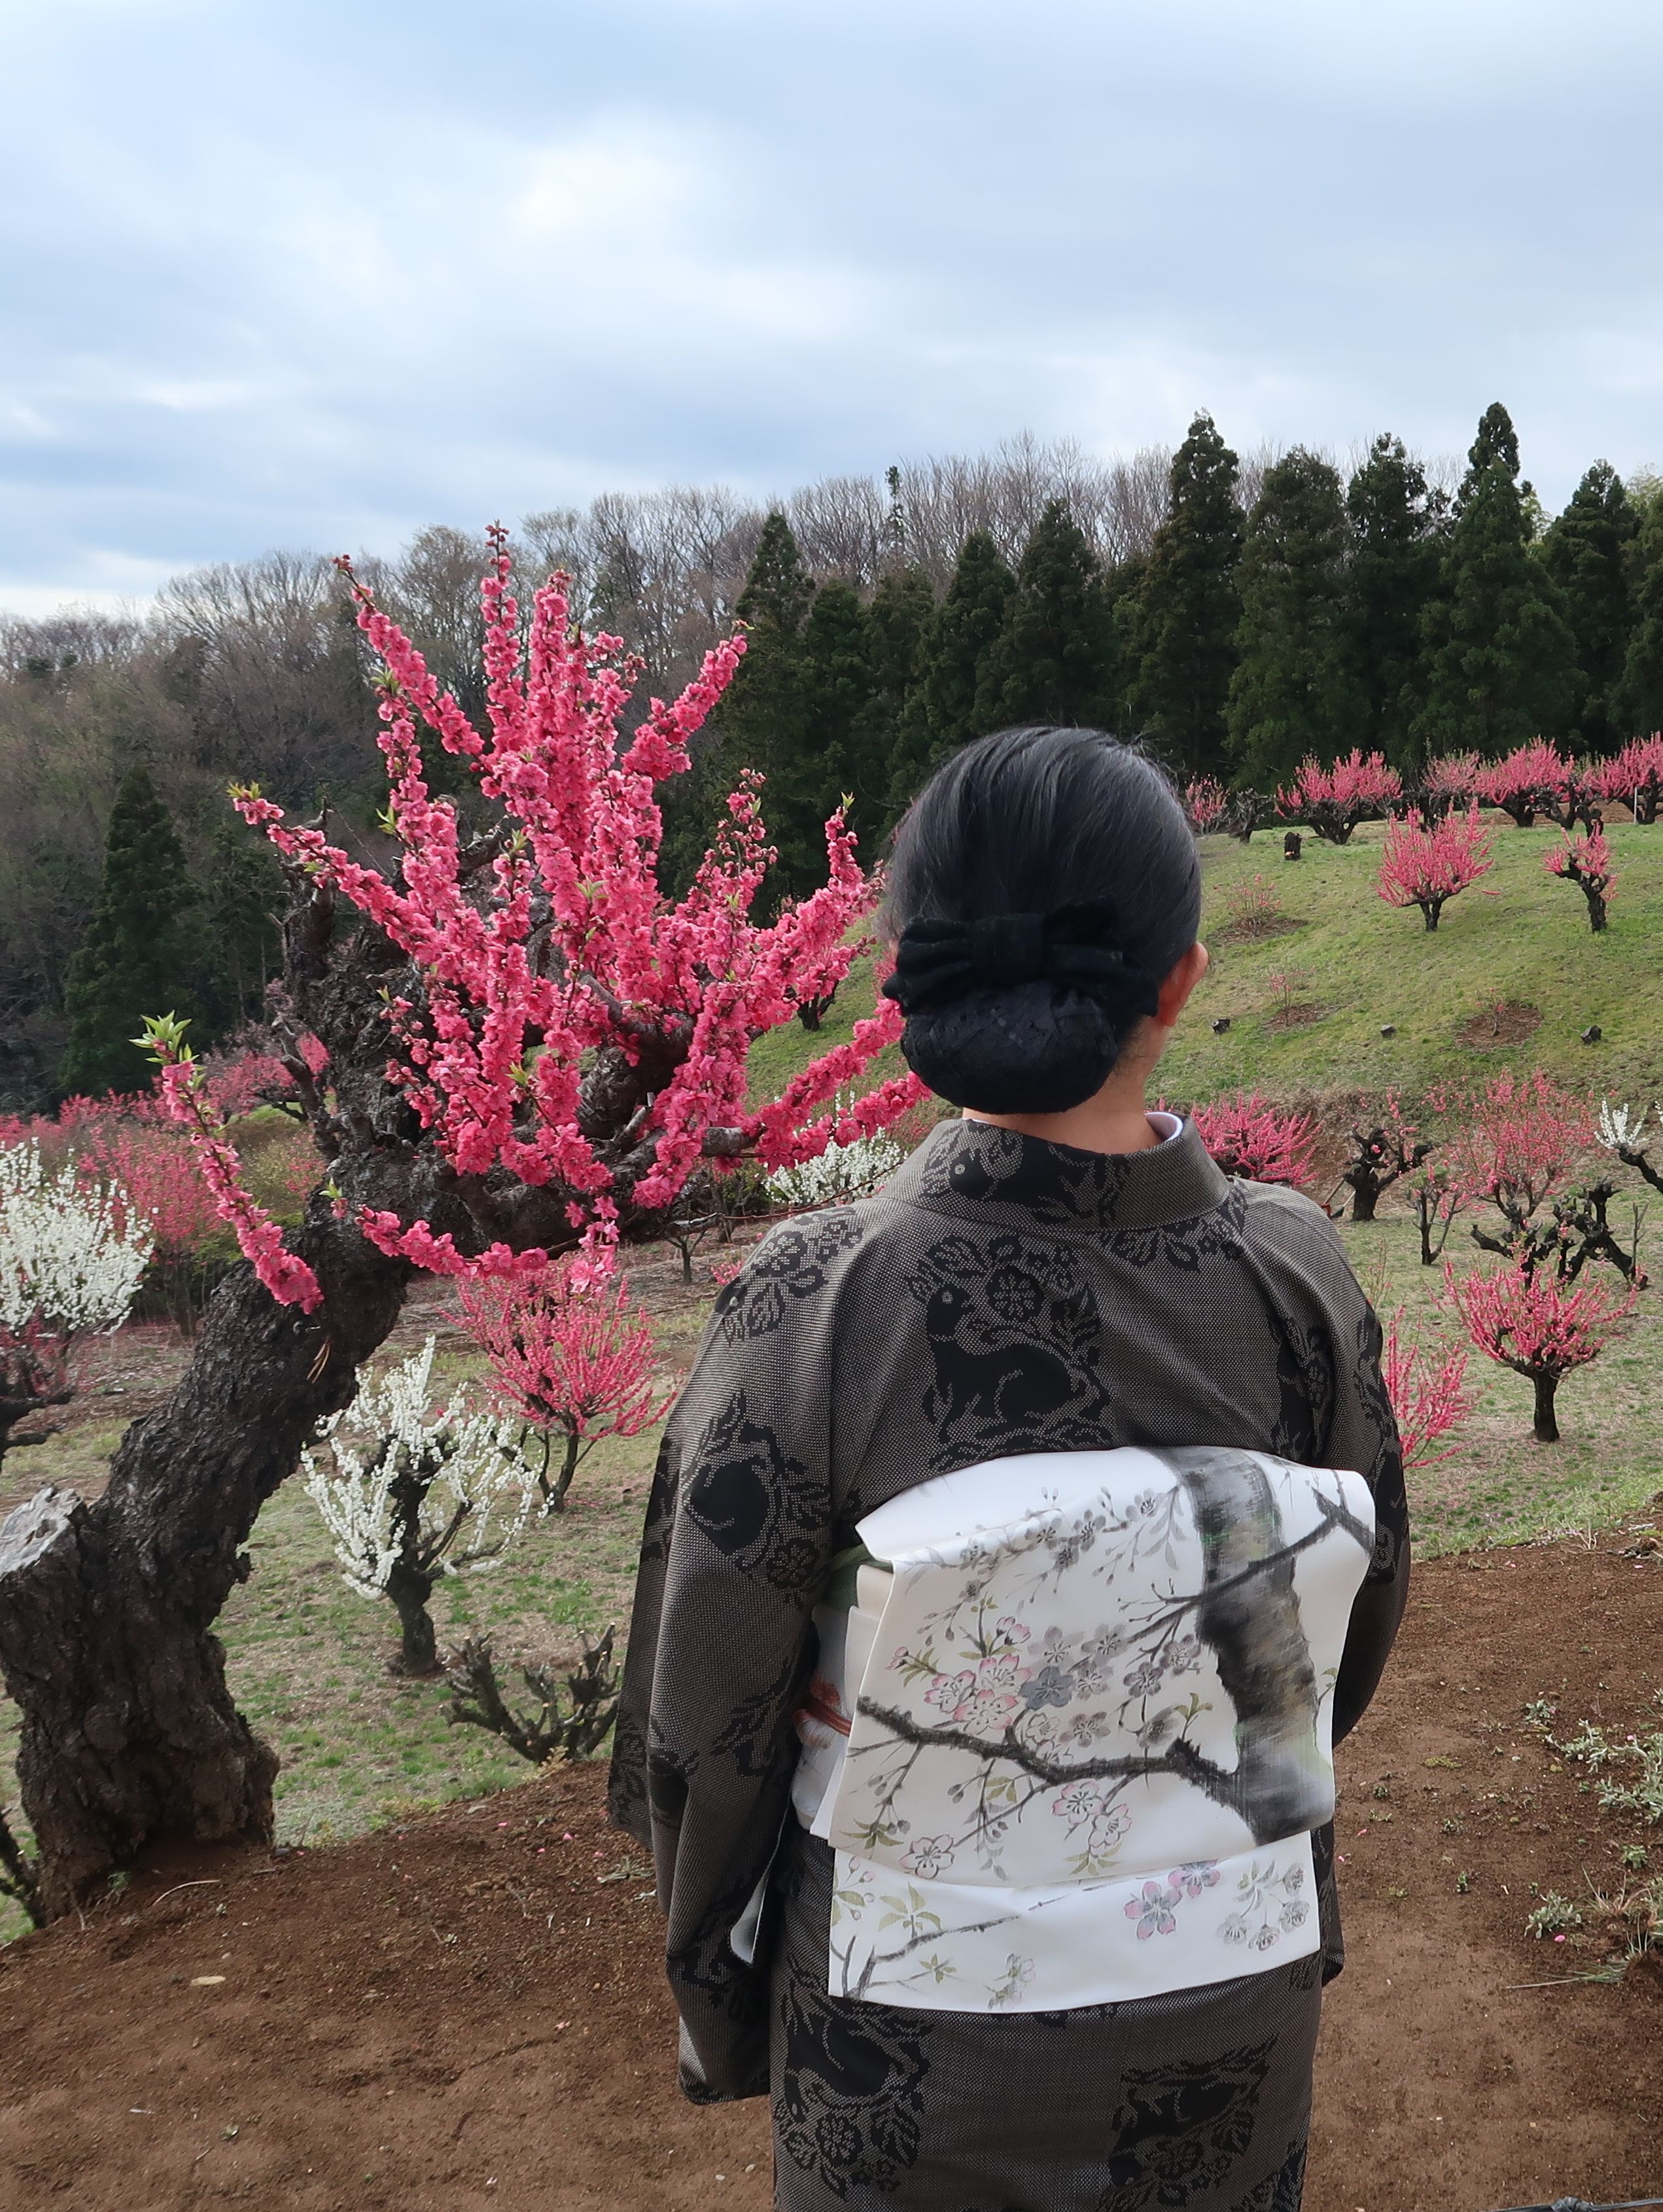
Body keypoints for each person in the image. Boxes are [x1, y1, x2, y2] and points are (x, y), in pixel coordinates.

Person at [610, 726, 1409, 2212]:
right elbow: (1342, 1636)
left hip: (902, 2031)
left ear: (901, 972)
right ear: (1178, 975)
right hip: (1225, 1985)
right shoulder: (1293, 1274)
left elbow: (700, 1721)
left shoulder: (817, 1301)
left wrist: (722, 1990)